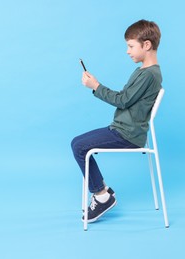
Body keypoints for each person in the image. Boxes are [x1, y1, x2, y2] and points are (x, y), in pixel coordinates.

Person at [71, 19, 162, 223]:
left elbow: (122, 100)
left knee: (78, 146)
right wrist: (96, 86)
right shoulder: (144, 72)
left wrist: (95, 86)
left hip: (127, 134)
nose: (128, 51)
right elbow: (126, 98)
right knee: (78, 143)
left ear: (146, 45)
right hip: (123, 129)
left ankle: (102, 196)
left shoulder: (149, 75)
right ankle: (102, 190)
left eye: (131, 46)